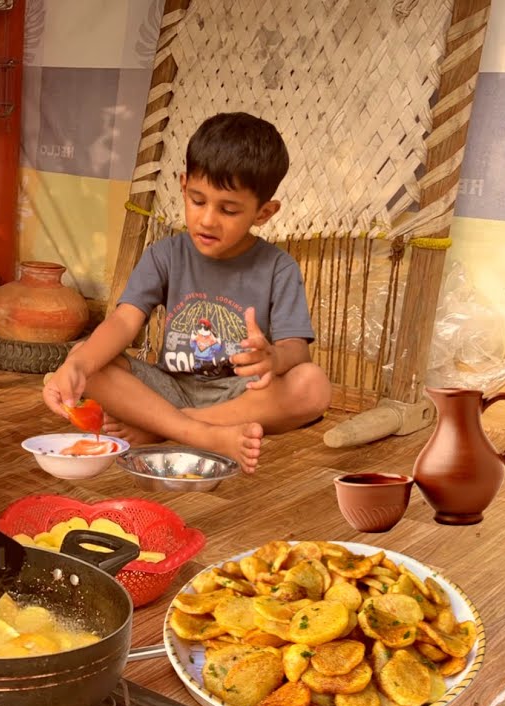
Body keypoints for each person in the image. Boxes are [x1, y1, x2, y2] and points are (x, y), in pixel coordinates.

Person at [43, 112, 331, 473]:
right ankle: (197, 431)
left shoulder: (279, 268)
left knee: (313, 385)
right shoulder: (165, 254)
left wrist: (273, 359)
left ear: (264, 213)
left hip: (242, 397)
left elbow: (297, 350)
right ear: (183, 186)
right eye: (197, 201)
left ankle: (168, 426)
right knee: (88, 355)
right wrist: (76, 366)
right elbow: (123, 322)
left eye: (228, 209)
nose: (207, 219)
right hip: (168, 387)